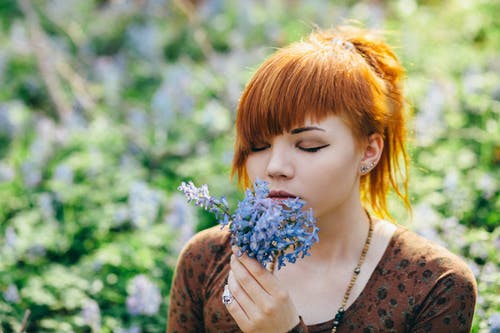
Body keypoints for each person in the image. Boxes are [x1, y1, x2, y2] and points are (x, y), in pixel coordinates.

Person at [166, 25, 477, 333]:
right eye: (259, 146)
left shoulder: (432, 284)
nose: (275, 167)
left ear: (368, 151)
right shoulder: (207, 259)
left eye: (308, 146)